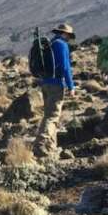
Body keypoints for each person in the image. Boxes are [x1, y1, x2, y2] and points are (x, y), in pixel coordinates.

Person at [33, 23, 76, 158]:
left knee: (49, 115)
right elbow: (65, 67)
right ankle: (40, 144)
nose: (69, 38)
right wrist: (71, 86)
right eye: (68, 35)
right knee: (52, 116)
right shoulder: (61, 44)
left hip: (45, 83)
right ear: (65, 34)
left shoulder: (50, 44)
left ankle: (51, 146)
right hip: (56, 84)